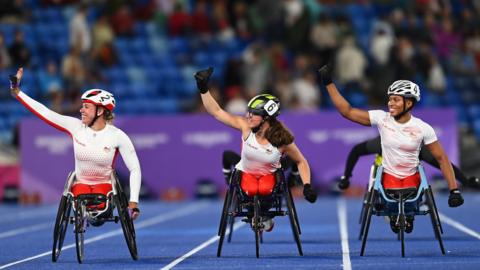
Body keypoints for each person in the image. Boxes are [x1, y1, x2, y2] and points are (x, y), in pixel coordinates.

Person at [318, 64, 464, 233]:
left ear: (408, 103)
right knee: (387, 192)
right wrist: (329, 83)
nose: (390, 103)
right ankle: (395, 213)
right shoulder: (382, 118)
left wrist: (454, 190)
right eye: (390, 99)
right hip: (387, 179)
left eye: (396, 100)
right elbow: (348, 112)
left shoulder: (423, 128)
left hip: (413, 180)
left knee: (412, 195)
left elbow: (442, 159)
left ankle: (407, 214)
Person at [9, 68, 141, 221]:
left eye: (86, 107)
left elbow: (135, 169)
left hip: (105, 189)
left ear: (99, 111)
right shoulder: (75, 126)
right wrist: (17, 92)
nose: (81, 109)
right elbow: (45, 112)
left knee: (100, 201)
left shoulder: (118, 136)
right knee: (77, 196)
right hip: (80, 186)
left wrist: (133, 202)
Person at [194, 67, 317, 232]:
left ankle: (264, 215)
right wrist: (203, 88)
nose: (248, 116)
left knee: (265, 189)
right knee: (251, 189)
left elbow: (301, 161)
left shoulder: (283, 139)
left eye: (253, 114)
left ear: (266, 118)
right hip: (246, 175)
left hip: (270, 179)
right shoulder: (245, 126)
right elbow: (216, 112)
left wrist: (307, 185)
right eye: (248, 112)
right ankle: (256, 214)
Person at [338, 135, 480, 190]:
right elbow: (356, 151)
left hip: (410, 181)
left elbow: (443, 163)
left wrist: (465, 180)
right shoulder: (382, 142)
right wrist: (346, 176)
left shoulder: (418, 147)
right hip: (384, 180)